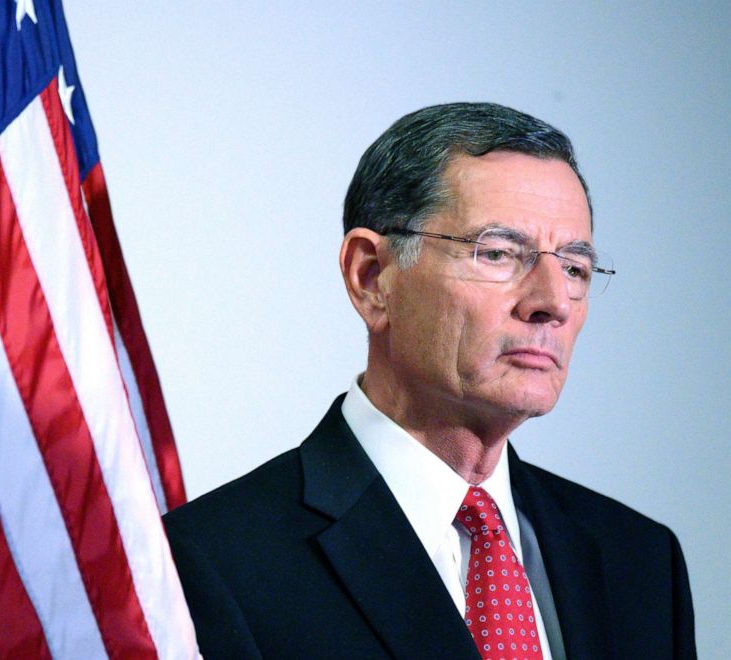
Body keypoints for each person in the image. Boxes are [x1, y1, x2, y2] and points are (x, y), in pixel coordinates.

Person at [162, 102, 695, 659]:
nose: (553, 302)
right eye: (499, 253)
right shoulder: (207, 565)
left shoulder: (640, 560)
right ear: (372, 278)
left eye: (575, 268)